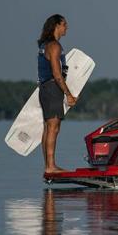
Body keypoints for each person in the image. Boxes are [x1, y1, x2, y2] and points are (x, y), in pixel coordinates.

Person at [37, 14, 77, 174]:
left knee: (49, 127)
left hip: (46, 89)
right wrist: (68, 94)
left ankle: (49, 165)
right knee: (53, 127)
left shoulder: (46, 45)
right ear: (57, 26)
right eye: (64, 24)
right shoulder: (54, 46)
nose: (66, 27)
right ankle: (51, 166)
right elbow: (57, 73)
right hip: (52, 89)